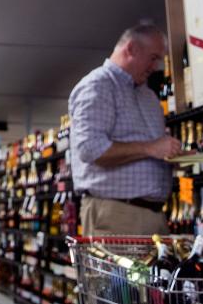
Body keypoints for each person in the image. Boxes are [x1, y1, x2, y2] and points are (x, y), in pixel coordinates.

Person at [69, 23, 183, 237]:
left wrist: (171, 156)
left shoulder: (147, 96)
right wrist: (151, 148)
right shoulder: (98, 86)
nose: (157, 66)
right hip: (115, 216)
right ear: (131, 49)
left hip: (155, 217)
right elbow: (91, 150)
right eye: (153, 57)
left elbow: (152, 150)